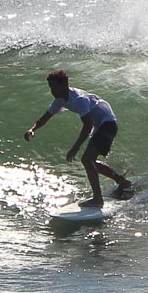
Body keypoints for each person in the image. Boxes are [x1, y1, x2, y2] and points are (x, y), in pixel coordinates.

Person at [24, 70, 132, 207]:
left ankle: (98, 200)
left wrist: (75, 147)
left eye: (55, 87)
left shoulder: (79, 99)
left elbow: (87, 126)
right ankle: (122, 181)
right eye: (50, 87)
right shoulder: (59, 101)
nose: (52, 90)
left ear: (65, 85)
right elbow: (45, 117)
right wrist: (32, 130)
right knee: (90, 161)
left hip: (108, 124)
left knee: (87, 159)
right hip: (100, 126)